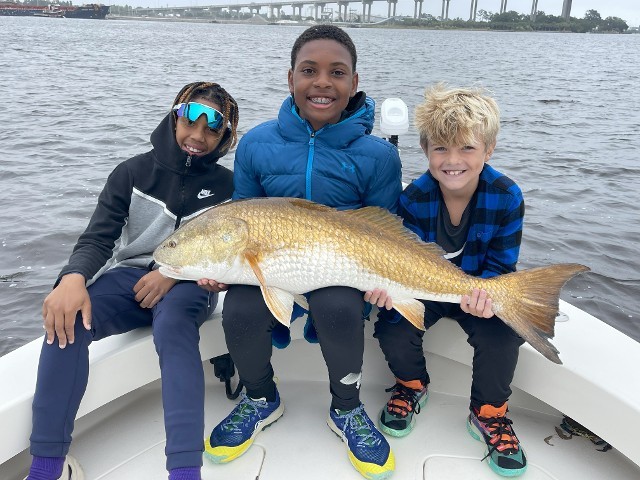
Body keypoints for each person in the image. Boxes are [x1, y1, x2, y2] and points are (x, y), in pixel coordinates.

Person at [200, 25, 402, 480]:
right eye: (309, 71)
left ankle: (346, 408)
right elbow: (241, 221)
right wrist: (217, 267)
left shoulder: (378, 156)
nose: (323, 82)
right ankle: (259, 397)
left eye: (337, 72)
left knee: (339, 308)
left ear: (354, 81)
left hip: (343, 270)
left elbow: (385, 229)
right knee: (241, 309)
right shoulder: (256, 143)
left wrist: (384, 282)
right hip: (272, 267)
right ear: (290, 77)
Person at [25, 82, 239, 480]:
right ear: (175, 117)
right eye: (190, 120)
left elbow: (226, 254)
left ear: (225, 137)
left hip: (188, 284)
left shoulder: (228, 188)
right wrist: (72, 277)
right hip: (128, 278)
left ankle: (184, 470)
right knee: (69, 322)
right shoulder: (132, 172)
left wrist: (171, 275)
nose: (198, 136)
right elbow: (98, 237)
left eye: (213, 129)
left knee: (174, 327)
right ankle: (46, 465)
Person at [371, 84, 528, 477]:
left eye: (467, 149)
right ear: (425, 151)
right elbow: (397, 261)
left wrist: (485, 295)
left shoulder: (507, 196)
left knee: (503, 335)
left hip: (477, 289)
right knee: (391, 325)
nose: (452, 160)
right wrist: (386, 289)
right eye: (440, 149)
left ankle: (489, 413)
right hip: (424, 288)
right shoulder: (413, 198)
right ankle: (411, 385)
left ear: (489, 150)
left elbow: (501, 267)